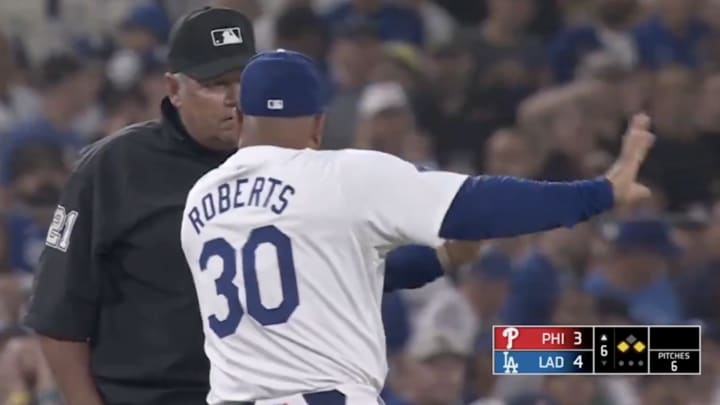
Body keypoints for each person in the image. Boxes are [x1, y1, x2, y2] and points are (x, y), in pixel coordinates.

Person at [22, 8, 477, 405]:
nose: (234, 98)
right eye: (215, 84)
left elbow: (334, 275)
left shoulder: (296, 161)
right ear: (174, 89)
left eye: (243, 81)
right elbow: (58, 316)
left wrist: (440, 256)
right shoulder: (113, 169)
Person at [180, 49, 655, 404]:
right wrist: (603, 191)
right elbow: (480, 203)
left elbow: (322, 275)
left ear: (240, 117)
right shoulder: (340, 176)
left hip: (232, 397)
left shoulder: (199, 202)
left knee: (663, 351)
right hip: (322, 395)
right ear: (319, 126)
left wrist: (442, 258)